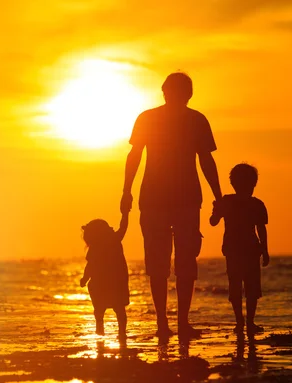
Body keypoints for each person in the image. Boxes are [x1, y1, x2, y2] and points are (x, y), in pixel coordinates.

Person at [120, 72, 223, 339]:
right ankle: (169, 324)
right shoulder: (155, 118)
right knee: (167, 263)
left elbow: (205, 160)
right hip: (163, 200)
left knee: (172, 262)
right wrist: (126, 191)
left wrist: (218, 195)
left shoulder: (193, 120)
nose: (172, 95)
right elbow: (135, 156)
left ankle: (173, 324)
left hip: (177, 200)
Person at [210, 163, 269, 335]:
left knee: (242, 286)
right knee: (246, 287)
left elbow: (261, 228)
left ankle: (243, 322)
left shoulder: (231, 202)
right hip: (242, 249)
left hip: (241, 249)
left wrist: (264, 250)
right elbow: (261, 229)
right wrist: (265, 250)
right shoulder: (251, 204)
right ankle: (245, 322)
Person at [80, 211, 130, 340]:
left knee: (100, 310)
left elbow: (89, 266)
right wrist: (125, 214)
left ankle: (101, 329)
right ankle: (120, 332)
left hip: (105, 283)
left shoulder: (98, 246)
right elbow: (123, 227)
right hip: (114, 282)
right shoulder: (112, 240)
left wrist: (85, 278)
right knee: (118, 310)